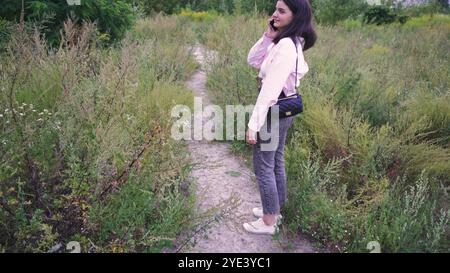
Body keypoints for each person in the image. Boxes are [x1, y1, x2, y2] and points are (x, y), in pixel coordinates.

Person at [244, 0, 317, 235]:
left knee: (263, 165)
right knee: (275, 160)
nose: (275, 14)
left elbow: (270, 90)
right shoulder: (286, 41)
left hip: (274, 110)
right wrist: (267, 36)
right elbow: (253, 61)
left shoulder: (286, 46)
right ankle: (275, 209)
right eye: (276, 9)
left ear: (295, 16)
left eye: (281, 11)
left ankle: (269, 221)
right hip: (283, 110)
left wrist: (253, 125)